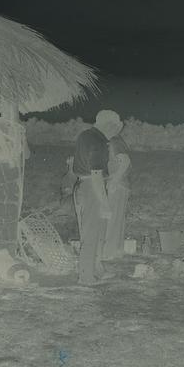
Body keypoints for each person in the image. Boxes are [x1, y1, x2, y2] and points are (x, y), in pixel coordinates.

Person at [71, 110, 122, 284]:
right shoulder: (99, 142)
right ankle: (86, 276)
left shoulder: (86, 135)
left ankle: (94, 270)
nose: (117, 129)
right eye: (116, 125)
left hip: (84, 185)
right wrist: (105, 203)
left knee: (95, 232)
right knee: (92, 233)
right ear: (108, 124)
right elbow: (96, 175)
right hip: (92, 187)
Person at [104, 123, 131, 261]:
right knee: (118, 218)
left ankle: (109, 252)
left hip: (118, 185)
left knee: (112, 218)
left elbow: (125, 161)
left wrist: (114, 180)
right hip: (122, 185)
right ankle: (116, 251)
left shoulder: (114, 141)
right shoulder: (118, 140)